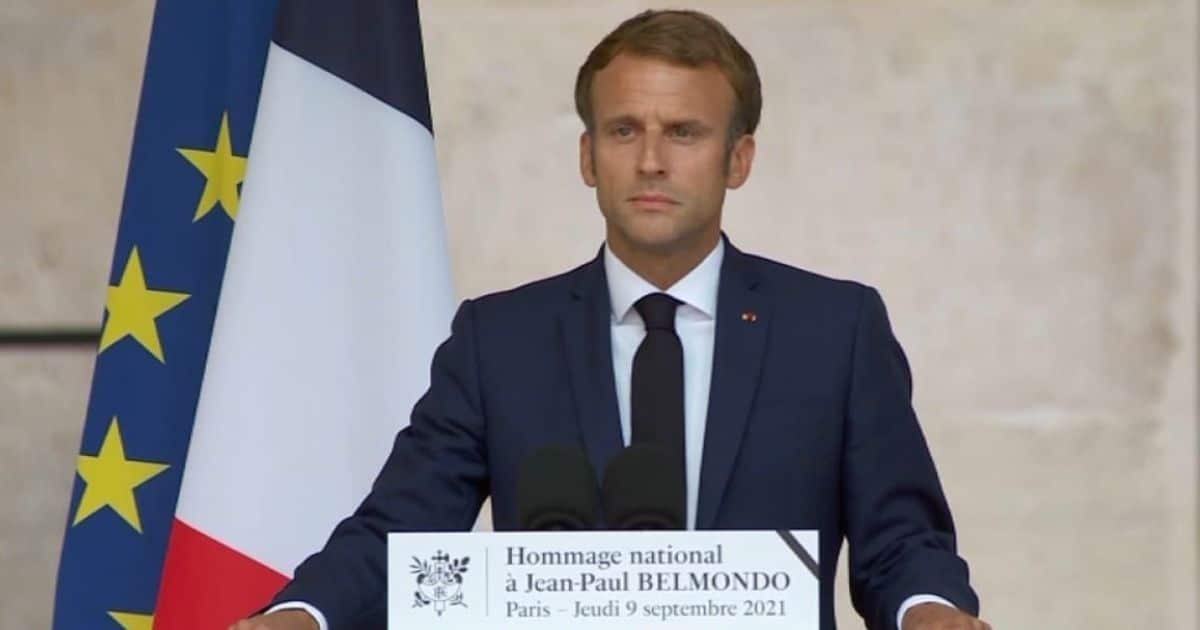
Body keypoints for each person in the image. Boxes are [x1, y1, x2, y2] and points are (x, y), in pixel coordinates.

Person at [233, 9, 988, 630]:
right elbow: (400, 532)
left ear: (739, 160)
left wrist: (931, 611)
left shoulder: (836, 330)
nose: (651, 161)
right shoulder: (499, 341)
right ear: (589, 156)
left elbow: (901, 541)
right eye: (625, 131)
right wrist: (303, 614)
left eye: (684, 133)